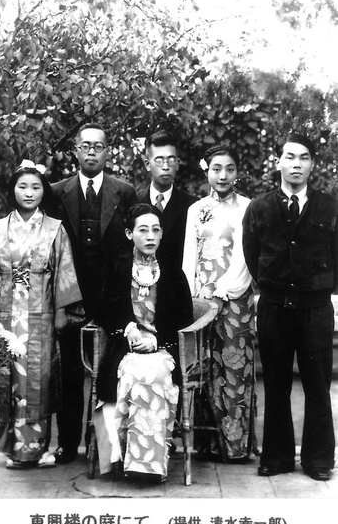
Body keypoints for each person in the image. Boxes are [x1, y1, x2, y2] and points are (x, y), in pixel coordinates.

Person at [0, 160, 82, 469]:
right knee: (9, 381)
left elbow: (65, 271)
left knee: (38, 380)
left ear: (43, 191)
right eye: (23, 186)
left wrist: (63, 311)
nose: (29, 192)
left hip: (41, 318)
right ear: (13, 190)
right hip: (5, 316)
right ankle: (13, 448)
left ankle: (34, 447)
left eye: (36, 187)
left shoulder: (54, 229)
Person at [242, 132, 337, 481]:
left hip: (315, 309)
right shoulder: (260, 207)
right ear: (278, 162)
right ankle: (278, 457)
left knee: (317, 383)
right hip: (275, 307)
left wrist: (320, 286)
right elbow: (253, 254)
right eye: (289, 157)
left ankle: (318, 459)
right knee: (277, 383)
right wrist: (273, 285)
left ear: (312, 165)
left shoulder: (329, 206)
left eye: (303, 158)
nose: (296, 164)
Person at [50, 122, 137, 463]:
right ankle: (68, 445)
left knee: (110, 372)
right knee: (71, 371)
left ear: (107, 152)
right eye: (85, 146)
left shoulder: (124, 192)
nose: (91, 152)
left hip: (111, 299)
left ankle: (107, 450)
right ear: (75, 151)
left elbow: (128, 251)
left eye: (97, 146)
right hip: (71, 297)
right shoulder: (58, 192)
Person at [93, 203, 193, 480]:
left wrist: (158, 339)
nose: (150, 236)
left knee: (155, 372)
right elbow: (101, 309)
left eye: (156, 230)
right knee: (133, 372)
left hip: (163, 349)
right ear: (129, 233)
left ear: (162, 235)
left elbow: (184, 317)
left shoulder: (172, 270)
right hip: (124, 349)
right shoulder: (117, 266)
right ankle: (126, 458)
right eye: (143, 230)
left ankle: (149, 465)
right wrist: (127, 327)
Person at [182, 145, 255, 462]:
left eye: (229, 168)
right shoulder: (196, 210)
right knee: (203, 369)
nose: (223, 175)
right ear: (206, 171)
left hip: (234, 300)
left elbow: (246, 258)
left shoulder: (249, 208)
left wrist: (223, 290)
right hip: (201, 302)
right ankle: (206, 443)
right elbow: (188, 259)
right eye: (216, 168)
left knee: (233, 369)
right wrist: (191, 297)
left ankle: (235, 446)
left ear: (238, 172)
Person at [138, 130, 197, 270]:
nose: (165, 167)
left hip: (179, 287)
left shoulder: (193, 205)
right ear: (147, 164)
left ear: (177, 164)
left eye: (171, 160)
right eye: (159, 161)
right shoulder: (134, 201)